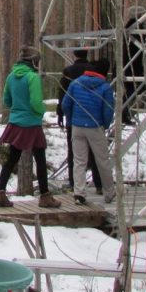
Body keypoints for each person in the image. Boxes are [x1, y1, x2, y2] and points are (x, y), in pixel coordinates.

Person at [0, 46, 61, 209]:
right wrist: (42, 111)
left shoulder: (11, 76)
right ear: (33, 62)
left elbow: (7, 101)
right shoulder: (32, 77)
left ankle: (0, 192)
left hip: (16, 122)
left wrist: (18, 107)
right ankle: (45, 196)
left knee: (12, 159)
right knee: (40, 159)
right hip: (31, 123)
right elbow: (36, 102)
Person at [62, 58, 118, 204]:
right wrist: (104, 125)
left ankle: (79, 193)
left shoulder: (76, 83)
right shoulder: (105, 87)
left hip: (77, 126)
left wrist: (71, 119)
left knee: (79, 161)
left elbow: (66, 104)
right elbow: (108, 109)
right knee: (102, 160)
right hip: (95, 126)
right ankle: (109, 192)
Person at [56, 48, 102, 193]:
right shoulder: (95, 71)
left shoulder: (69, 71)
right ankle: (99, 184)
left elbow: (62, 92)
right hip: (94, 117)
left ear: (75, 55)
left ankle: (74, 183)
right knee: (96, 153)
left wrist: (61, 113)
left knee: (74, 153)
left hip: (74, 117)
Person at [121, 7, 146, 126]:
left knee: (134, 89)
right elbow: (139, 47)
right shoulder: (136, 28)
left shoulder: (130, 27)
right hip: (132, 65)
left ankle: (124, 113)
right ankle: (124, 112)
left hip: (129, 64)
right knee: (138, 88)